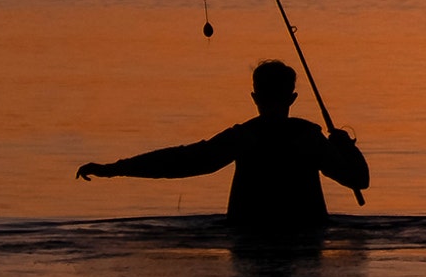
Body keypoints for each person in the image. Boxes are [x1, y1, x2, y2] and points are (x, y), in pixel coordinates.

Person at [78, 60, 369, 229]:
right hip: (307, 233)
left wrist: (114, 169)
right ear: (292, 98)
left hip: (247, 232)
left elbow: (184, 161)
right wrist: (345, 145)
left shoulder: (243, 137)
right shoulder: (309, 138)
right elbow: (358, 179)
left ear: (254, 97)